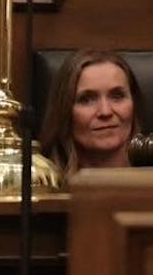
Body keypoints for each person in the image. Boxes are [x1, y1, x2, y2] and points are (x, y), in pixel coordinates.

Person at [38, 49, 145, 178]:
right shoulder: (43, 183)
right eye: (86, 100)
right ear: (64, 112)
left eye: (117, 96)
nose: (105, 111)